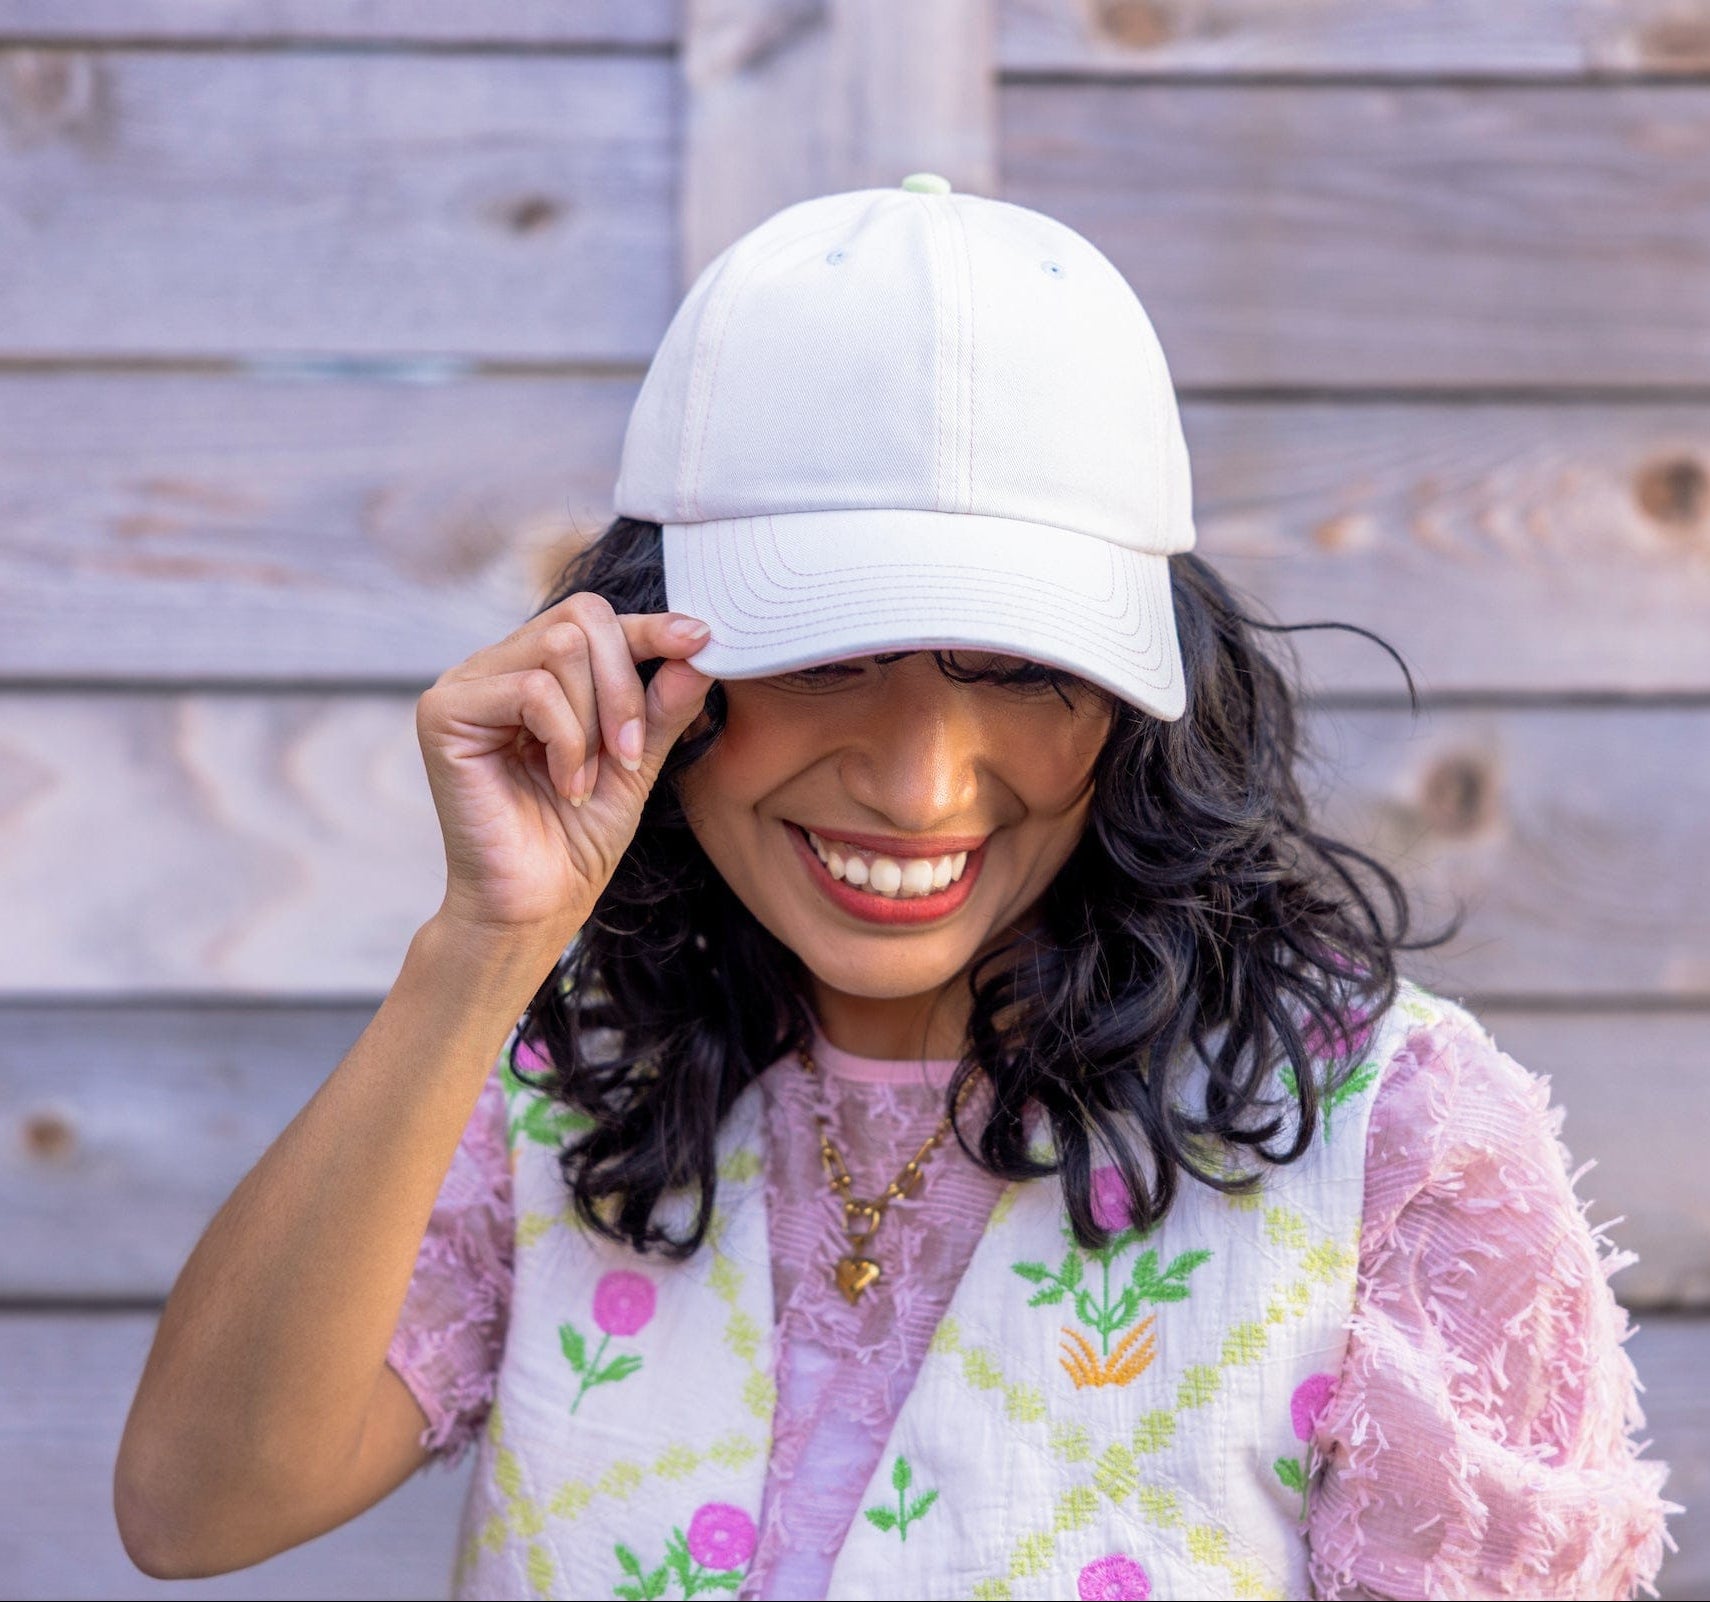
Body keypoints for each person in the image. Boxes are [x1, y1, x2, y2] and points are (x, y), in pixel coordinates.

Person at [115, 177, 1676, 1601]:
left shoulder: (1396, 1144)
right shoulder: (549, 1065)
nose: (923, 779)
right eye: (829, 656)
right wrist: (480, 946)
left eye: (1017, 672)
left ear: (1146, 703)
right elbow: (195, 1509)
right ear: (641, 654)